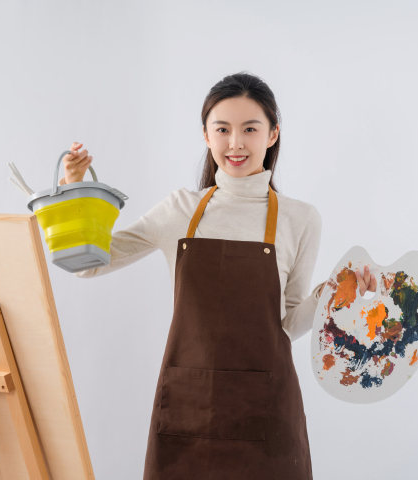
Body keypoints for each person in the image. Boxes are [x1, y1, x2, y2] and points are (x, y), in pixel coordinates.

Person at [58, 71, 376, 479]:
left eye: (250, 129)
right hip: (189, 413)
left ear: (273, 134)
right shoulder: (178, 210)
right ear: (206, 136)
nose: (236, 143)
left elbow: (289, 323)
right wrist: (74, 189)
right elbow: (88, 265)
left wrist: (337, 292)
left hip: (267, 414)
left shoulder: (300, 219)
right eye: (222, 129)